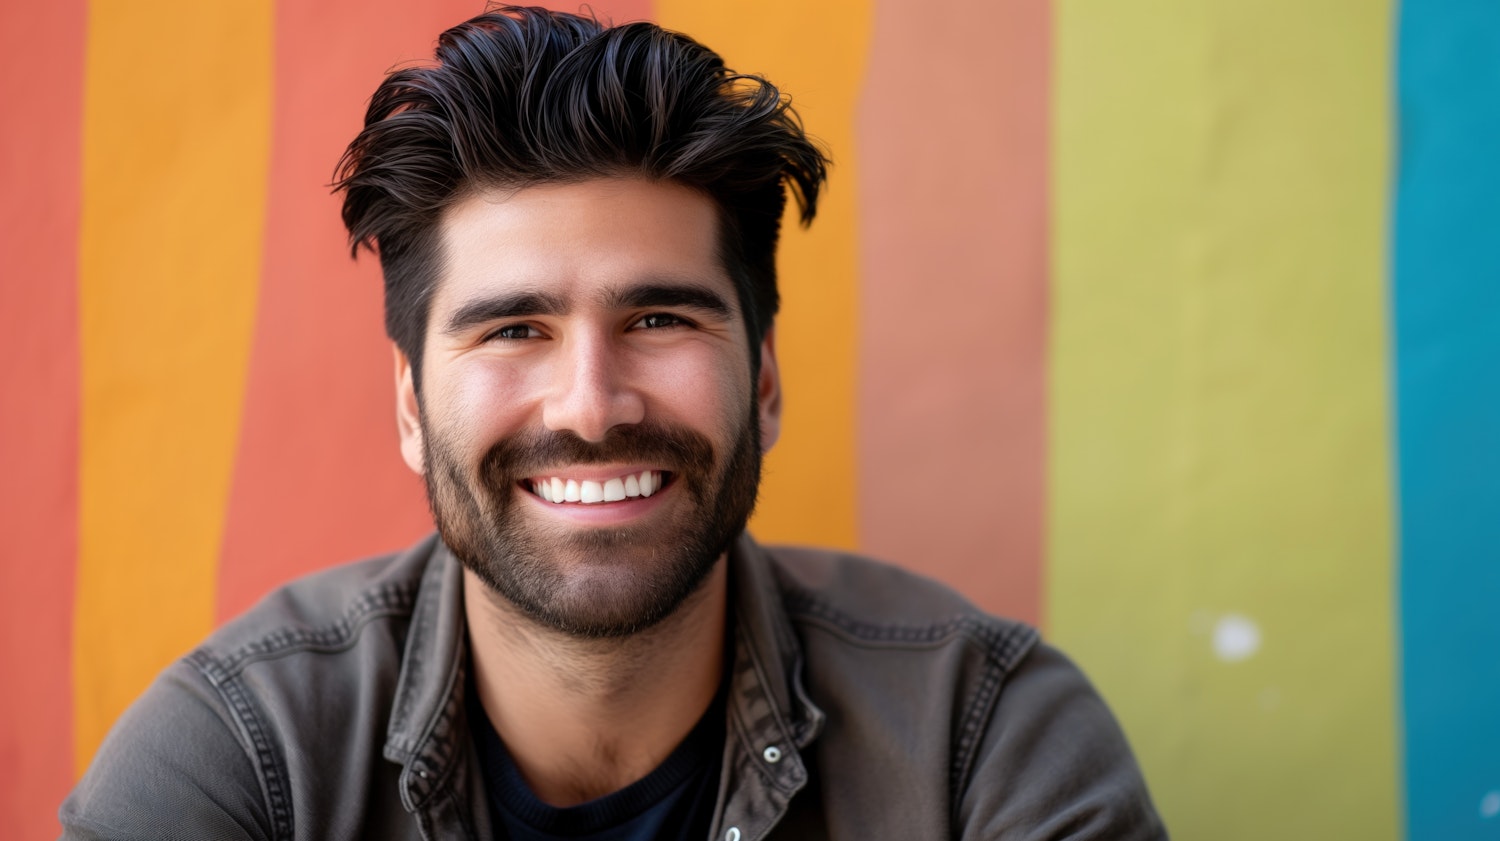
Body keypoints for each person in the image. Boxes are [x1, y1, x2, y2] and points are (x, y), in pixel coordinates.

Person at [61, 7, 1166, 839]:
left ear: (765, 380)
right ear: (410, 407)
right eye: (512, 331)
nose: (593, 404)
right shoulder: (245, 762)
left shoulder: (983, 743)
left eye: (659, 316)